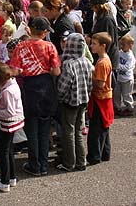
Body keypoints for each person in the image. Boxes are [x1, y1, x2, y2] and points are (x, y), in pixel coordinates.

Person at [10, 17, 61, 177]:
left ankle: (34, 164)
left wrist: (26, 70)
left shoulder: (20, 47)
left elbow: (15, 70)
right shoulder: (50, 46)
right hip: (46, 86)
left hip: (29, 87)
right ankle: (44, 164)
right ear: (44, 32)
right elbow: (56, 71)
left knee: (31, 129)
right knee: (45, 130)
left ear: (30, 29)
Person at [56, 33, 93, 172]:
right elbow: (90, 83)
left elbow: (63, 86)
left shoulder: (68, 64)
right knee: (78, 132)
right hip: (84, 101)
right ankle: (81, 161)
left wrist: (59, 97)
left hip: (70, 102)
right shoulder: (87, 61)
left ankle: (69, 163)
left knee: (68, 132)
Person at [0, 62, 24, 193]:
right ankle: (12, 177)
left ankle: (4, 182)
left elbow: (9, 112)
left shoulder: (7, 91)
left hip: (8, 124)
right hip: (15, 123)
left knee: (3, 153)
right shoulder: (13, 85)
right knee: (9, 151)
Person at [86, 32, 114, 165]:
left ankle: (94, 156)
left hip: (100, 98)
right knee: (104, 128)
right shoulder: (105, 60)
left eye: (94, 44)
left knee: (96, 130)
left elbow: (100, 83)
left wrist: (91, 74)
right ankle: (104, 153)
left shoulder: (102, 63)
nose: (91, 46)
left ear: (103, 46)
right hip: (104, 98)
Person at [115, 34, 136, 116]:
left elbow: (127, 67)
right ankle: (117, 107)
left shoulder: (130, 56)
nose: (122, 46)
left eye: (124, 45)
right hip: (119, 77)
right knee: (116, 94)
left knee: (127, 95)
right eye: (121, 44)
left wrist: (117, 66)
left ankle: (129, 108)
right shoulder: (120, 53)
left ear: (130, 46)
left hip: (127, 79)